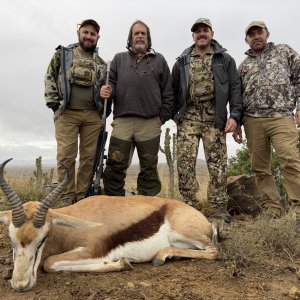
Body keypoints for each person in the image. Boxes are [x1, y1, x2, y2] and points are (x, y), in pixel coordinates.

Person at [172, 18, 242, 221]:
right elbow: (173, 88)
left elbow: (235, 88)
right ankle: (188, 207)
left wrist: (235, 116)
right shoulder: (182, 60)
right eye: (197, 31)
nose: (201, 34)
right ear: (193, 35)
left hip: (215, 119)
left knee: (218, 165)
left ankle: (218, 208)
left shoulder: (224, 59)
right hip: (189, 119)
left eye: (205, 30)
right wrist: (175, 115)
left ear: (212, 33)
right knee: (185, 164)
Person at [233, 21, 300, 229]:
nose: (256, 36)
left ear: (267, 33)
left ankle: (299, 209)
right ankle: (272, 210)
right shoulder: (243, 66)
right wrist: (237, 122)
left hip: (281, 116)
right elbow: (238, 96)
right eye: (251, 34)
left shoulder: (285, 52)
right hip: (252, 120)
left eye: (259, 32)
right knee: (260, 168)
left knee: (289, 158)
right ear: (247, 39)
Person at [100, 20, 174, 196]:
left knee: (149, 168)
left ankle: (146, 207)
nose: (140, 36)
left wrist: (162, 117)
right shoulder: (118, 59)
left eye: (143, 33)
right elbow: (110, 85)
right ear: (130, 38)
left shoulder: (160, 60)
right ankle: (113, 204)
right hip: (123, 121)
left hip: (150, 122)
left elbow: (168, 91)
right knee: (115, 165)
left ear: (148, 38)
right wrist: (106, 90)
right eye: (136, 33)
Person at [44, 19, 108, 204]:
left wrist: (106, 100)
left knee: (89, 157)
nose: (89, 36)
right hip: (67, 113)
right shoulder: (63, 55)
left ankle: (81, 196)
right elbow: (50, 76)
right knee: (66, 155)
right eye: (86, 32)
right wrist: (54, 104)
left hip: (92, 116)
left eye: (93, 34)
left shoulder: (102, 63)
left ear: (97, 38)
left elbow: (106, 88)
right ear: (79, 34)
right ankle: (66, 196)